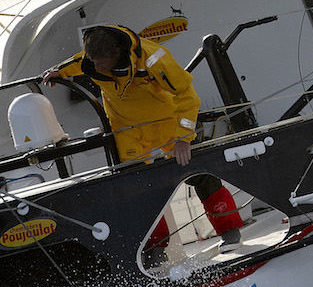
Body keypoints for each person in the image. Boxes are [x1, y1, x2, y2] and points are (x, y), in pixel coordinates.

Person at [45, 25, 245, 252]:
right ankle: (154, 249)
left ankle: (230, 231)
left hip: (167, 123)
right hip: (127, 129)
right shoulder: (91, 59)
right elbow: (77, 62)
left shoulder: (154, 58)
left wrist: (184, 138)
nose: (97, 67)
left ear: (117, 53)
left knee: (199, 173)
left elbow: (187, 96)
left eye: (102, 63)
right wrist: (58, 72)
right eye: (93, 61)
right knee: (135, 187)